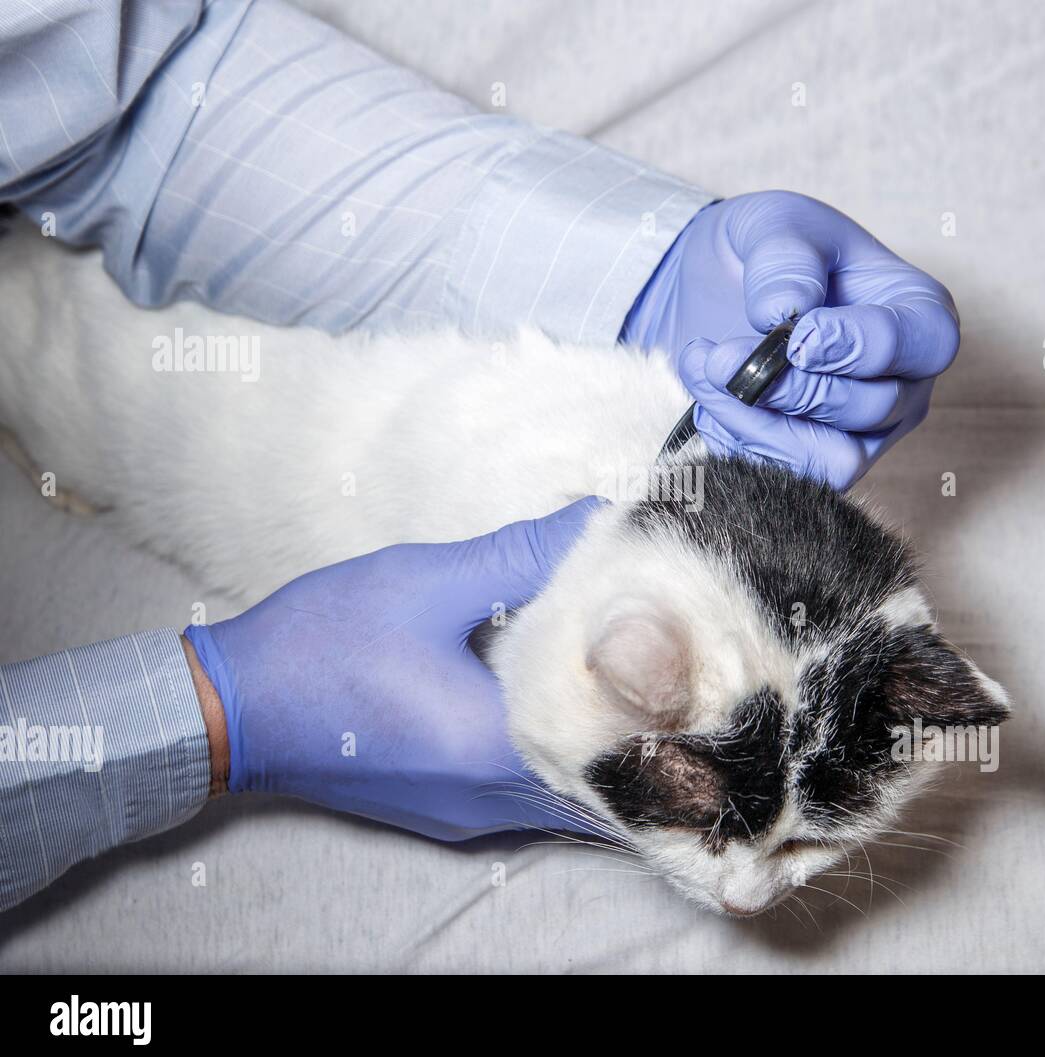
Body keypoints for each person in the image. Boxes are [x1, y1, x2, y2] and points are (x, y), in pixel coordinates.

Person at [0, 0, 961, 912]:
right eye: (775, 847)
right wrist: (204, 718)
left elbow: (128, 85)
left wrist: (638, 267)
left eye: (800, 846)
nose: (746, 898)